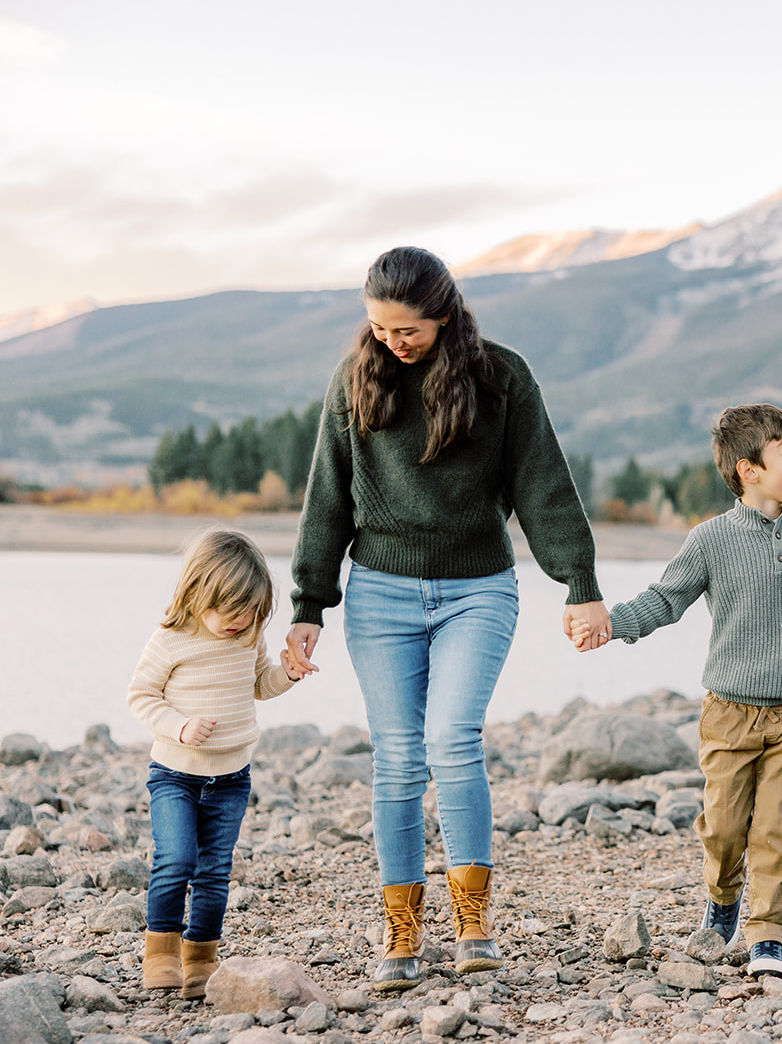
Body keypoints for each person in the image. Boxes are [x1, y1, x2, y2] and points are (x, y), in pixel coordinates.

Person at [284, 246, 608, 989]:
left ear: (445, 314)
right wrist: (309, 603)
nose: (393, 343)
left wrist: (579, 581)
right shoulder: (355, 379)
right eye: (379, 329)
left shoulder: (500, 377)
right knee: (398, 756)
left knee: (453, 739)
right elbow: (326, 496)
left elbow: (543, 485)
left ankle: (473, 921)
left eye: (409, 331)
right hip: (380, 592)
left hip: (478, 589)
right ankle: (401, 929)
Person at [571, 404, 782, 980]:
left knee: (777, 827)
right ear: (748, 469)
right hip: (728, 715)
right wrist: (612, 622)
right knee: (725, 828)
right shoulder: (710, 540)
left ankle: (769, 938)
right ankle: (723, 899)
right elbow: (664, 600)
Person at [127, 528, 304, 999]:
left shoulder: (248, 636)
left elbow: (258, 686)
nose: (241, 621)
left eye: (251, 613)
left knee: (214, 871)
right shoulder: (170, 640)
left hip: (230, 779)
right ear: (198, 592)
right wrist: (178, 725)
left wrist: (284, 674)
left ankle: (201, 957)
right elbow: (140, 696)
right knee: (175, 859)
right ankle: (161, 950)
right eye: (232, 612)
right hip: (175, 776)